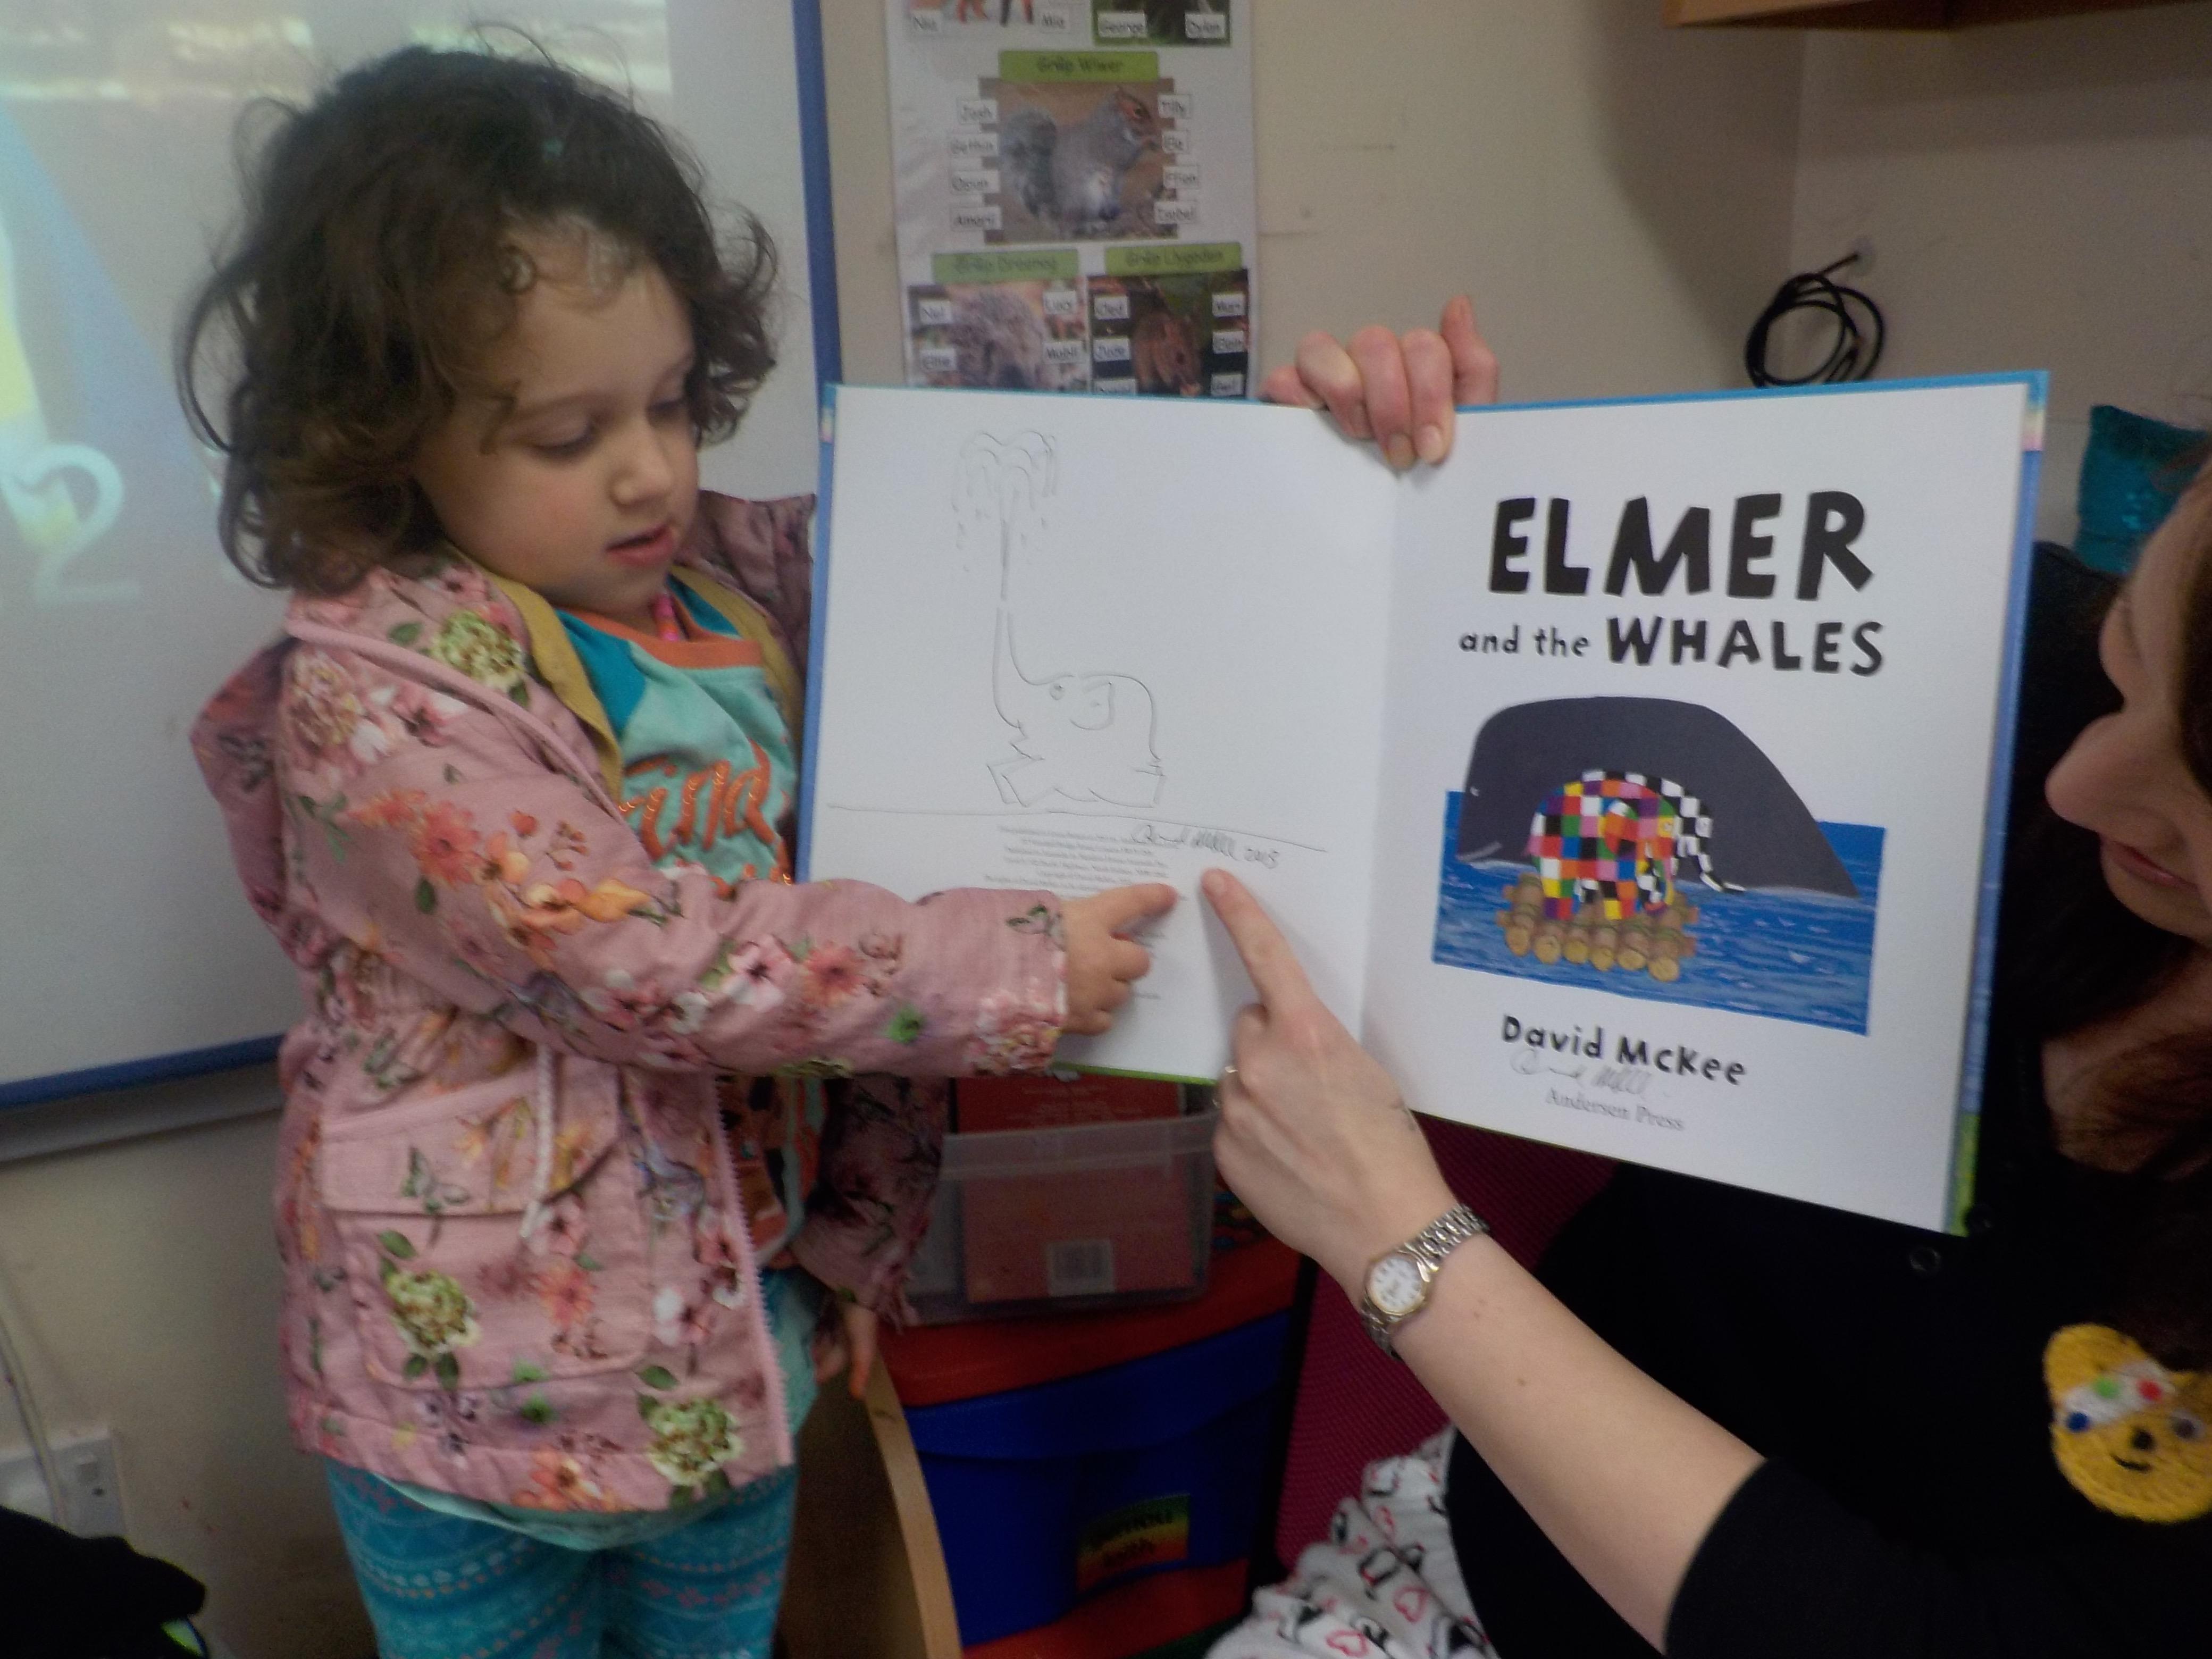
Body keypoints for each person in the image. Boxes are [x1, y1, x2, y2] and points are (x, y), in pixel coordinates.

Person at [181, 46, 1172, 1659]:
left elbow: (978, 559)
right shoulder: (373, 702)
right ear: (390, 436)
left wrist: (1261, 477)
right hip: (471, 1419)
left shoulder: (732, 587)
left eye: (667, 402)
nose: (648, 469)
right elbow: (635, 957)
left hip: (737, 1361)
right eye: (565, 434)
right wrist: (1005, 967)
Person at [1211, 299, 2212, 1656]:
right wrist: (1433, 562)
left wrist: (1403, 1243)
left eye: (2197, 796)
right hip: (1470, 1574)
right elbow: (1470, 830)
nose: (2081, 783)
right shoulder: (1985, 652)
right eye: (2127, 663)